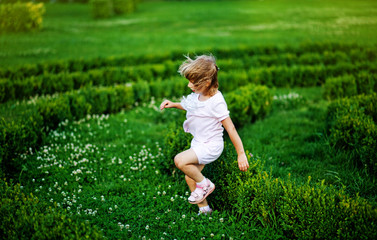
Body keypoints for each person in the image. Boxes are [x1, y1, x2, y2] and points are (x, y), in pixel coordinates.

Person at [159, 54, 249, 215]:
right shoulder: (199, 94)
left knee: (179, 160)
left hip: (211, 145)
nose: (189, 86)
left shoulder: (217, 101)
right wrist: (173, 104)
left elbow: (231, 129)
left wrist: (241, 154)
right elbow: (191, 106)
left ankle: (206, 184)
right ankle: (205, 209)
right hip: (199, 143)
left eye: (193, 83)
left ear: (207, 82)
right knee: (190, 177)